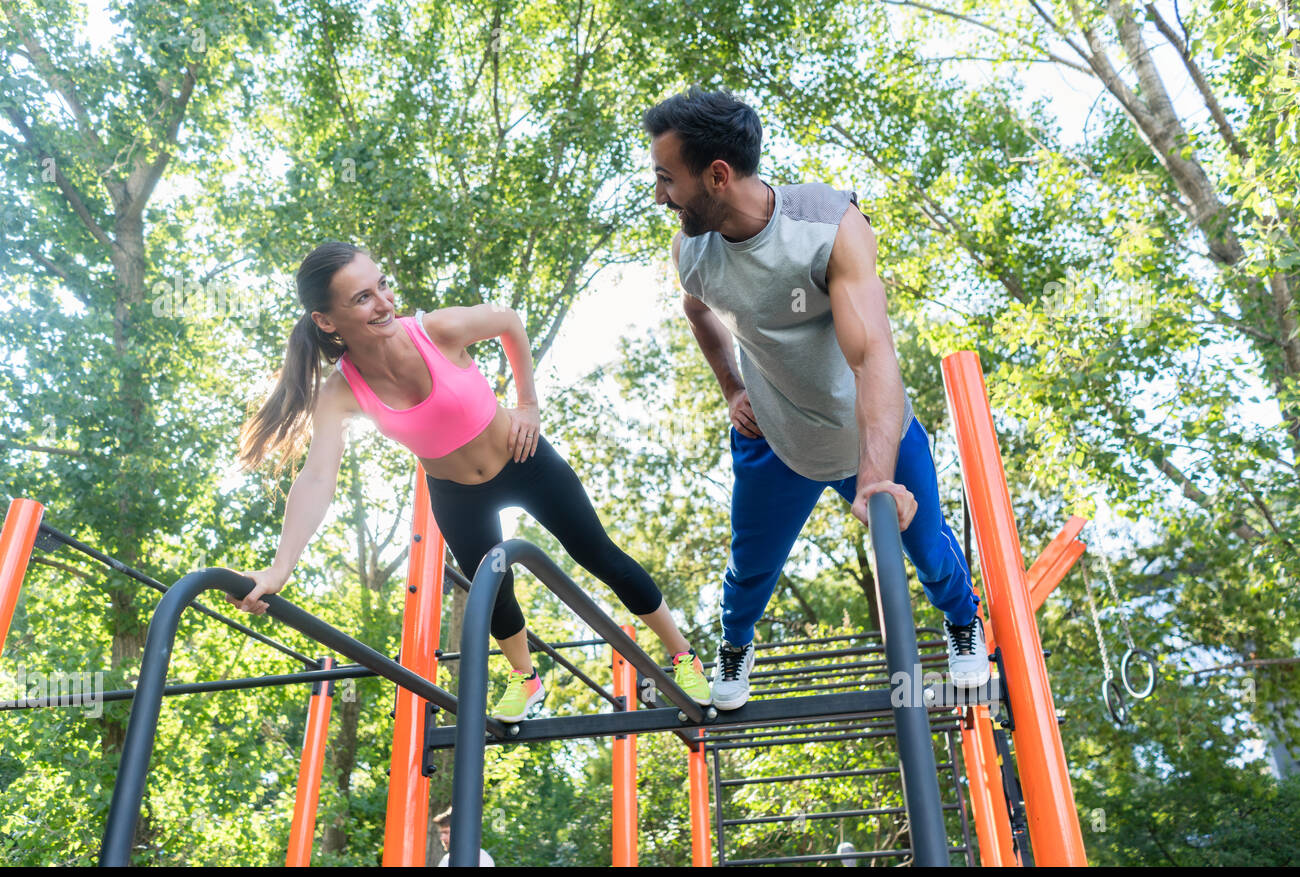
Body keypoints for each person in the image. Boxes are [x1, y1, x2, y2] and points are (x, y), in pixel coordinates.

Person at [225, 241, 711, 720]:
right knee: (492, 591)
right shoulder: (340, 392)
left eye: (382, 285)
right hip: (457, 494)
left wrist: (528, 405)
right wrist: (278, 570)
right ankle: (526, 679)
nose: (384, 302)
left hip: (524, 461)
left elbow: (508, 321)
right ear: (326, 321)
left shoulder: (436, 330)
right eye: (363, 298)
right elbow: (316, 480)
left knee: (599, 556)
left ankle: (683, 656)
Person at [643, 87, 989, 711]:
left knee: (930, 550)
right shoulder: (691, 251)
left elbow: (872, 355)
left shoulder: (827, 226)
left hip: (869, 434)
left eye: (667, 179)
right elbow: (697, 310)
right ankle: (735, 647)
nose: (659, 195)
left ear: (717, 175)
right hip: (777, 438)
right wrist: (731, 388)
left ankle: (964, 621)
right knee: (749, 570)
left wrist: (878, 481)